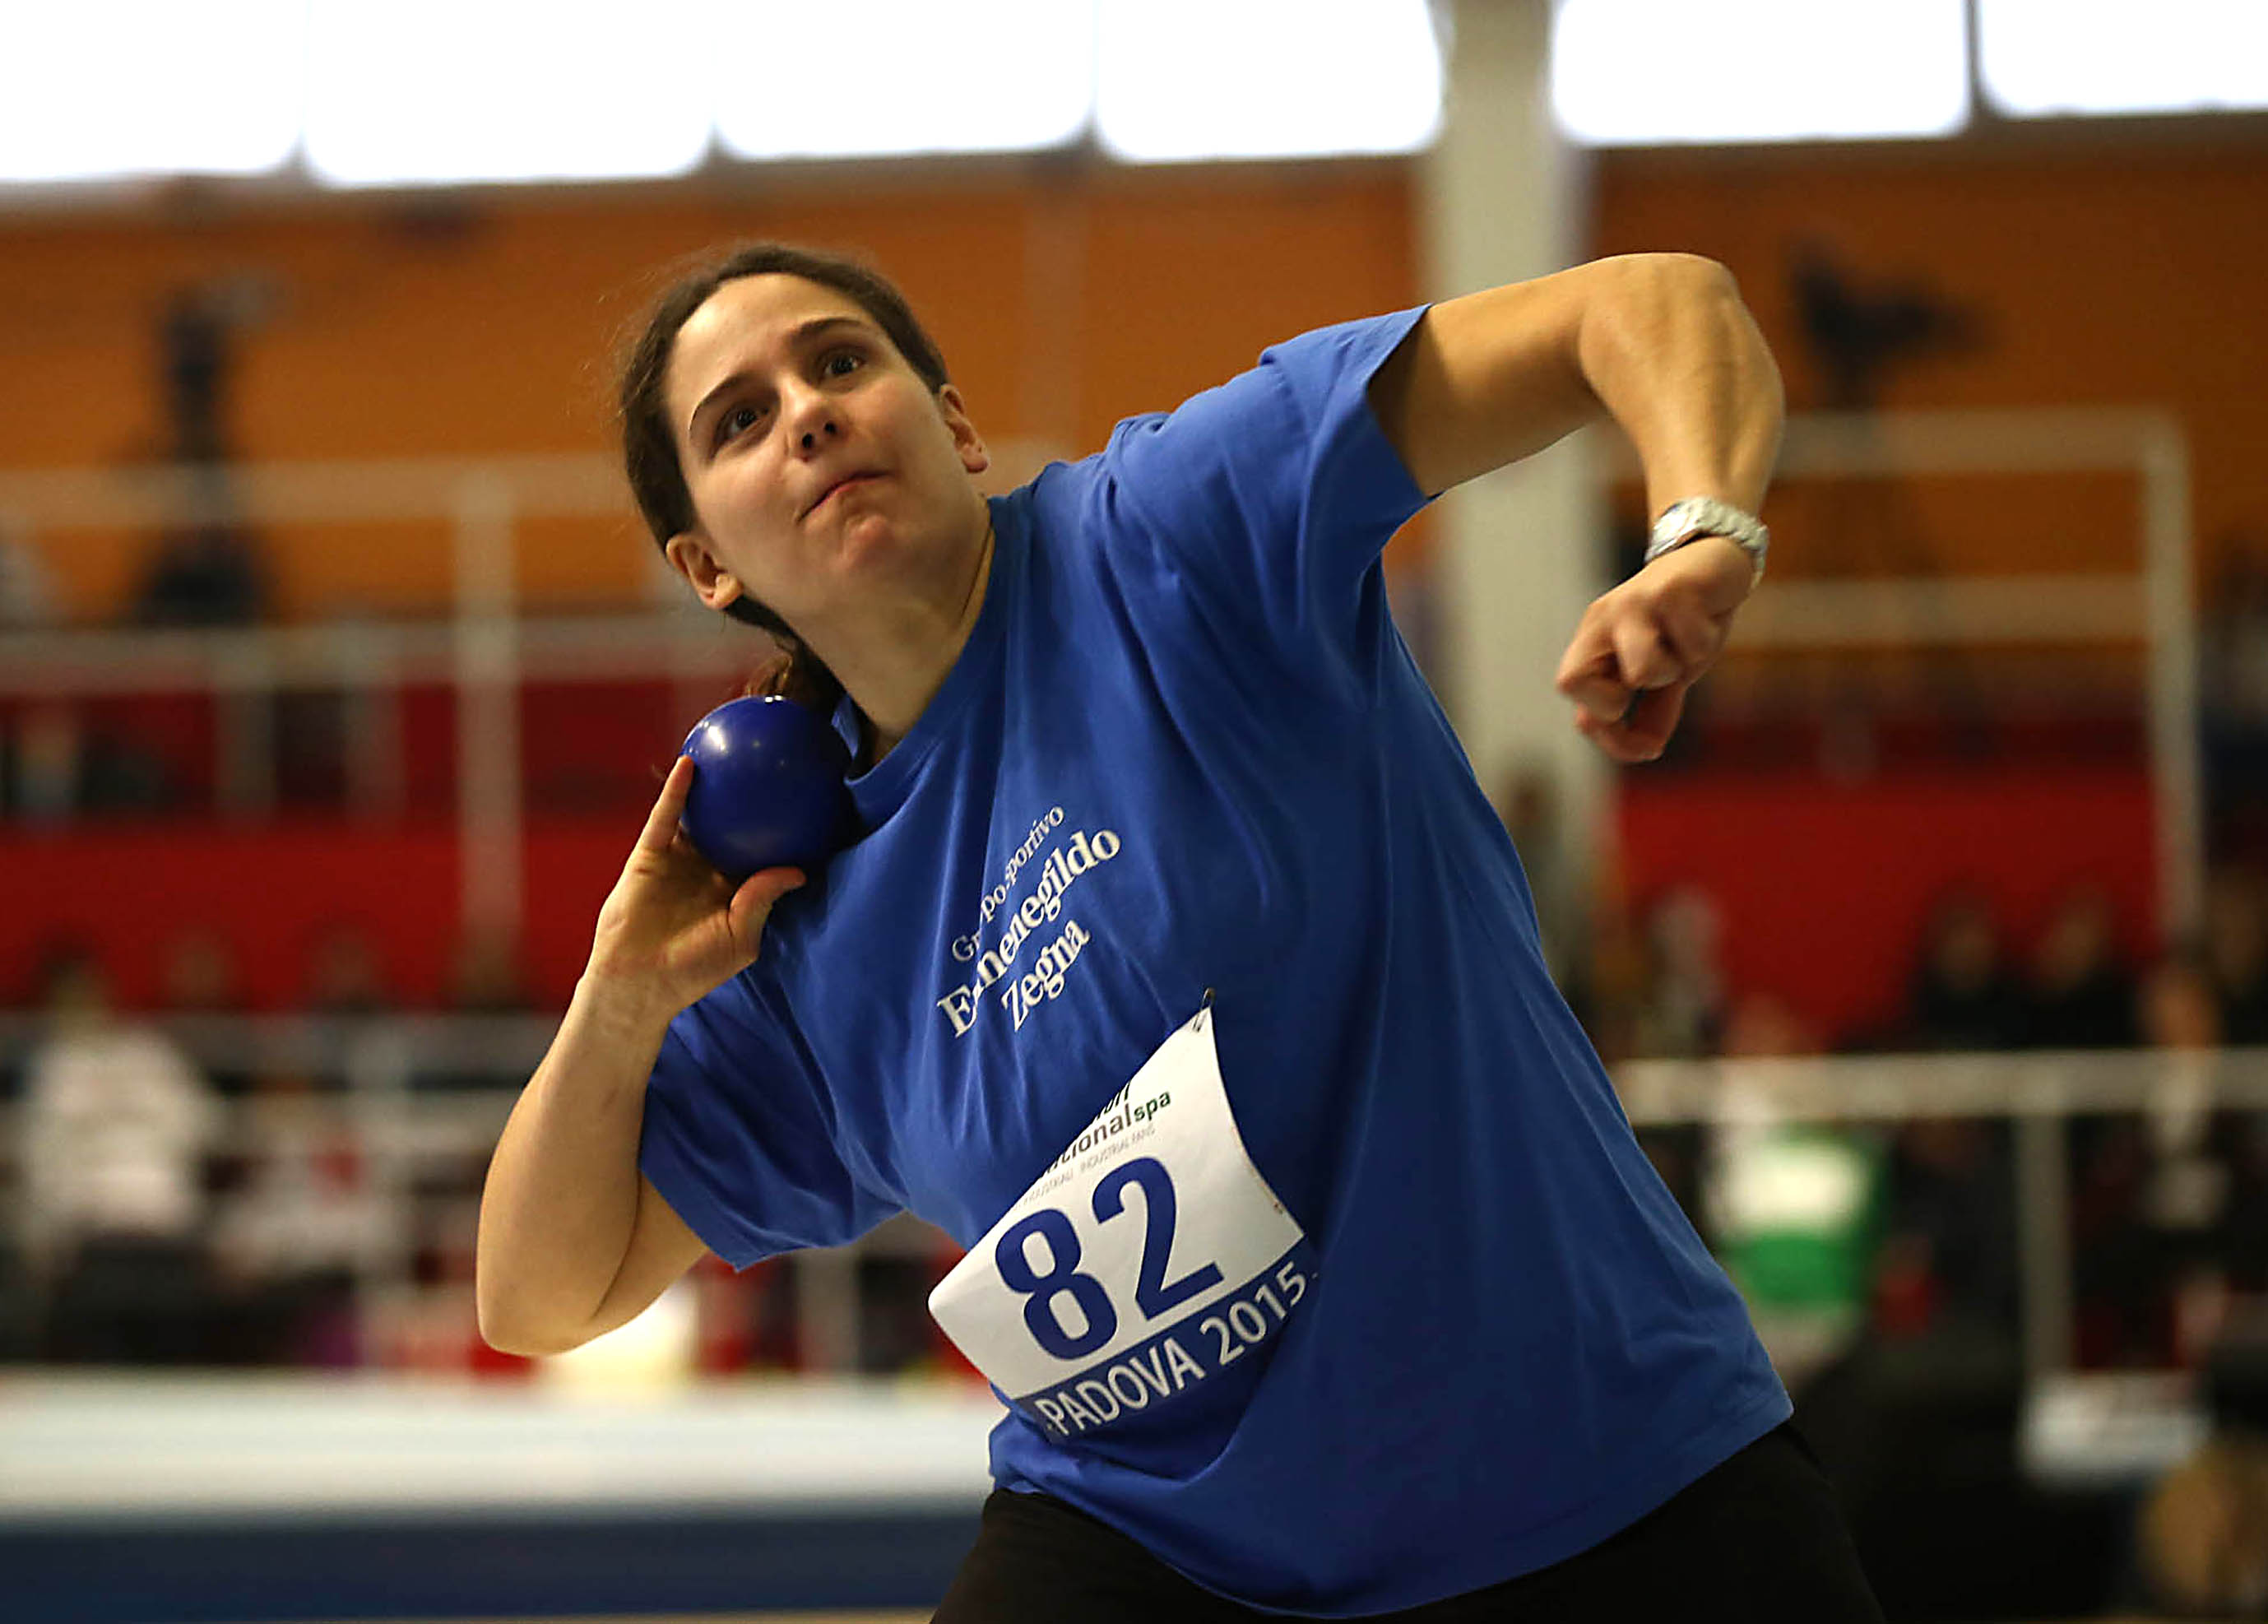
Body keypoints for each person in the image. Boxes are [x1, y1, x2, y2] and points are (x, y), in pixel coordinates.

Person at [476, 242, 1883, 1619]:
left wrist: (1701, 534)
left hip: (1603, 1481)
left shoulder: (1173, 530)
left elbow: (1647, 303)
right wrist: (620, 995)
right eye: (739, 421)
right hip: (1153, 1545)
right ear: (707, 564)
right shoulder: (797, 917)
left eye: (840, 363)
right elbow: (540, 1294)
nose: (807, 414)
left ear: (954, 426)